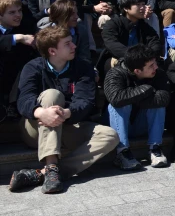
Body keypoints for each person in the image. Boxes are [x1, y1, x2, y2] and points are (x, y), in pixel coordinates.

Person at [10, 26, 119, 194]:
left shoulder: (83, 67)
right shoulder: (32, 67)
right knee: (52, 95)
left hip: (68, 125)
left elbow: (85, 101)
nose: (74, 46)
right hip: (35, 128)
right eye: (68, 44)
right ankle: (51, 163)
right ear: (52, 51)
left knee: (110, 136)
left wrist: (67, 113)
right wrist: (41, 113)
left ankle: (46, 173)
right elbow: (24, 100)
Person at [103, 44, 171, 169]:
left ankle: (155, 148)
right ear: (137, 71)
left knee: (158, 104)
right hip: (117, 126)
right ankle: (122, 152)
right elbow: (116, 99)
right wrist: (146, 90)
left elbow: (164, 98)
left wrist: (134, 98)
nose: (155, 67)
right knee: (119, 105)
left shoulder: (158, 73)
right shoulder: (115, 74)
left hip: (141, 123)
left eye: (155, 63)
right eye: (151, 66)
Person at [101, 0, 161, 72]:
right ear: (126, 8)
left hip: (144, 60)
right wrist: (136, 57)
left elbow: (155, 42)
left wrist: (146, 56)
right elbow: (112, 44)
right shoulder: (113, 24)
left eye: (143, 4)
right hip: (120, 59)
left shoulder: (144, 26)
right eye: (138, 5)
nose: (142, 8)